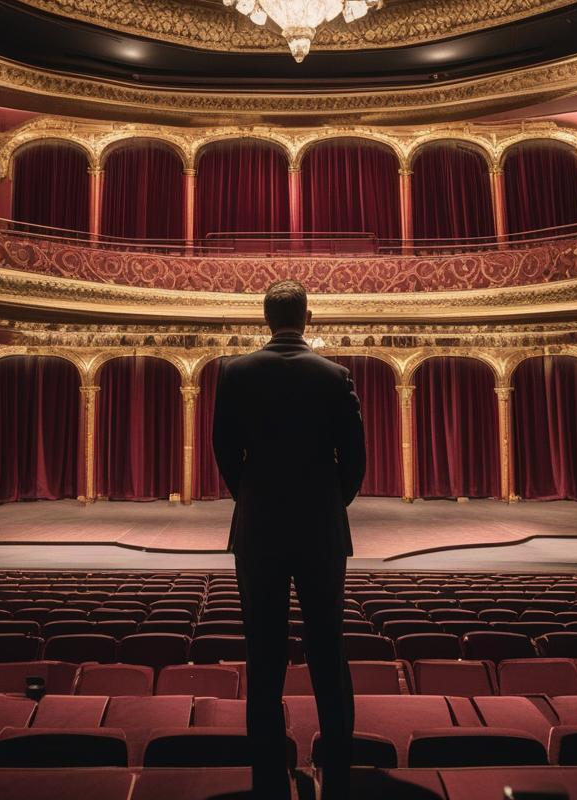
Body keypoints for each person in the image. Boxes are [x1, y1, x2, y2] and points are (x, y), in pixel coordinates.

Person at [213, 279, 366, 798]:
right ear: (307, 319)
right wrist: (327, 503)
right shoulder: (335, 376)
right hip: (321, 528)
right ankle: (339, 762)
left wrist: (252, 497)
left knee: (264, 647)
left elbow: (224, 453)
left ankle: (266, 768)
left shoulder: (235, 373)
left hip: (259, 530)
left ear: (265, 318)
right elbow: (356, 460)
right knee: (328, 644)